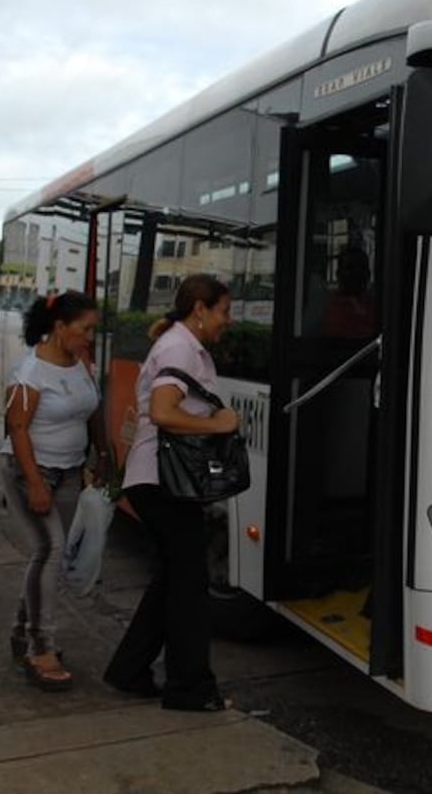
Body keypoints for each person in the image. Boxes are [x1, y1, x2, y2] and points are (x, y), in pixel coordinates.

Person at [103, 274, 240, 712]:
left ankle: (129, 669)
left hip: (155, 479)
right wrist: (217, 424)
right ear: (200, 309)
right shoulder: (180, 347)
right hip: (163, 482)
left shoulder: (180, 344)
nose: (228, 321)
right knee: (189, 587)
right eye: (224, 311)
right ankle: (188, 687)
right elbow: (163, 412)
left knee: (173, 580)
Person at [0, 291, 104, 691]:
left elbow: (91, 409)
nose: (90, 337)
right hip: (31, 471)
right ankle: (41, 647)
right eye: (85, 329)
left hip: (70, 469)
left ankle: (21, 629)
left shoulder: (81, 365)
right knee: (50, 551)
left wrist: (103, 454)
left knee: (50, 557)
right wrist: (37, 485)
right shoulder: (30, 374)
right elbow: (18, 429)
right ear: (60, 327)